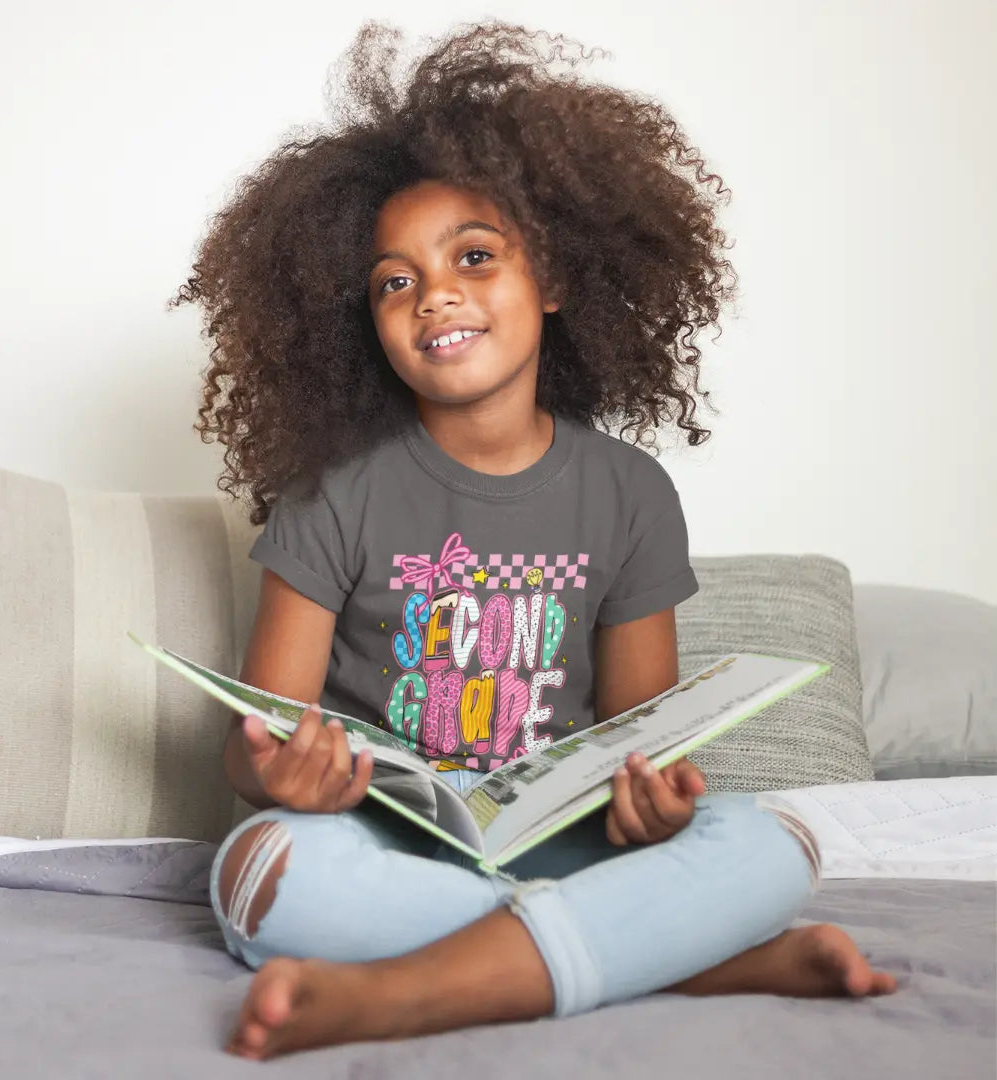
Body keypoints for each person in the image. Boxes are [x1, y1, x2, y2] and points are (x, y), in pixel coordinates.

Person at [168, 20, 897, 1060]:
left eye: (474, 257)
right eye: (394, 281)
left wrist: (652, 807)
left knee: (773, 840)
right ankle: (686, 959)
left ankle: (398, 993)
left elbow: (644, 746)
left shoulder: (630, 493)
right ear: (365, 323)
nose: (435, 295)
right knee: (262, 872)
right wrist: (278, 780)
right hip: (381, 843)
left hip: (565, 844)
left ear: (553, 281)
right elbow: (257, 748)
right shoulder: (331, 496)